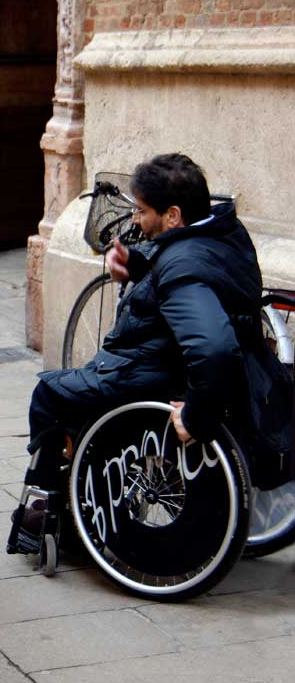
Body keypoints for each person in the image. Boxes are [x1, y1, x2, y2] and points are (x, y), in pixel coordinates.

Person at [27, 152, 292, 498]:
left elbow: (212, 348)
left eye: (141, 211)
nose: (135, 220)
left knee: (48, 394)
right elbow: (191, 270)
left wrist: (196, 417)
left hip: (151, 372)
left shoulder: (182, 268)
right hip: (174, 362)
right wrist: (135, 264)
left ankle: (50, 500)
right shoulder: (223, 234)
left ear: (173, 216)